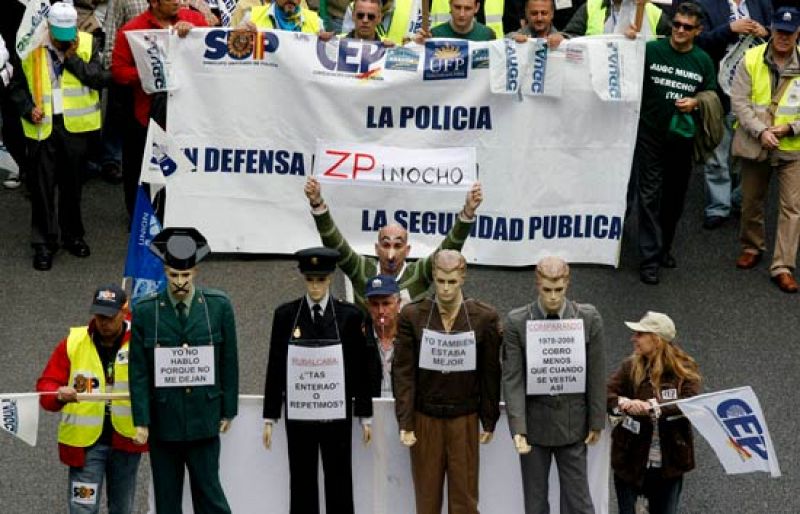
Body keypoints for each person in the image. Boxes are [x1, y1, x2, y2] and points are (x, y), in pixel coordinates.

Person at [129, 227, 239, 514]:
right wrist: (141, 419)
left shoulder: (218, 307)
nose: (180, 282)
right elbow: (138, 372)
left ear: (195, 272)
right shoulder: (145, 311)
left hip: (204, 418)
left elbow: (229, 361)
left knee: (210, 497)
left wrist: (228, 409)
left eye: (186, 275)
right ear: (165, 271)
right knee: (167, 502)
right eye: (173, 275)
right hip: (164, 422)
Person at [262, 247, 373, 514]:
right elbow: (276, 364)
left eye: (320, 280)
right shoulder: (286, 315)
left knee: (339, 479)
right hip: (300, 415)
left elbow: (360, 367)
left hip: (337, 414)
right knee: (301, 481)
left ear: (330, 278)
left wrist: (365, 415)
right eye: (310, 279)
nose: (315, 286)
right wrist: (270, 415)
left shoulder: (350, 316)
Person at [392, 250, 501, 514]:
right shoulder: (413, 315)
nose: (446, 288)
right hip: (424, 417)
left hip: (464, 418)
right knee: (426, 498)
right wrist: (405, 421)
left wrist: (489, 418)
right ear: (433, 277)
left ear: (462, 277)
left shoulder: (484, 317)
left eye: (452, 281)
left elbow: (490, 373)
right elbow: (403, 373)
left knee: (464, 499)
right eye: (440, 281)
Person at [7, 1, 110, 271]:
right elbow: (16, 86)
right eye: (59, 37)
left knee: (72, 187)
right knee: (41, 189)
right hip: (42, 128)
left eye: (69, 35)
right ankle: (44, 244)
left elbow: (99, 78)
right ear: (48, 27)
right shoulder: (28, 46)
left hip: (76, 127)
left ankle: (73, 236)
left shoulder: (87, 43)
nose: (65, 42)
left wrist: (73, 58)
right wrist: (28, 109)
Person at [501, 255, 605, 514]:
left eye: (559, 289)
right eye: (547, 290)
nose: (553, 297)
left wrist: (596, 420)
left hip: (573, 423)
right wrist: (518, 428)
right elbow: (512, 379)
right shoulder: (517, 321)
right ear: (537, 284)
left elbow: (596, 372)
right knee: (535, 503)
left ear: (567, 283)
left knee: (579, 501)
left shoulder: (588, 318)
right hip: (534, 426)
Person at [36, 284, 146, 514]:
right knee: (82, 509)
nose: (103, 322)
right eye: (99, 316)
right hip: (86, 448)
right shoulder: (74, 342)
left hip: (126, 442)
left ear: (124, 314)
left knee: (122, 508)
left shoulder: (142, 341)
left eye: (110, 317)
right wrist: (58, 394)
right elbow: (45, 389)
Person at [304, 176, 483, 310]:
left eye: (398, 246)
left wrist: (467, 213)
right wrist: (317, 204)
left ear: (407, 250)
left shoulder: (418, 274)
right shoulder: (362, 269)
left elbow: (448, 252)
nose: (391, 253)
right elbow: (336, 245)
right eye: (386, 244)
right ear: (376, 248)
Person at [634, 1, 718, 285]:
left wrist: (697, 102)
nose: (679, 30)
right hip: (650, 135)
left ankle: (664, 247)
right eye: (677, 24)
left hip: (682, 140)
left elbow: (713, 95)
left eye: (687, 27)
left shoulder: (703, 61)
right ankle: (649, 259)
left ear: (698, 30)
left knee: (674, 200)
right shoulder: (651, 51)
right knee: (648, 197)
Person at [111, 0, 207, 219]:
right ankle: (139, 219)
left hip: (186, 113)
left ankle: (178, 215)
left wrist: (195, 37)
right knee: (140, 170)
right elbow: (118, 71)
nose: (178, 1)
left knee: (181, 168)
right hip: (146, 114)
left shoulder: (194, 21)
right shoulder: (132, 30)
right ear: (154, 2)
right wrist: (149, 74)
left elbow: (215, 50)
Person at [731, 6, 800, 293]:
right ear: (771, 30)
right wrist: (761, 131)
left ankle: (782, 266)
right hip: (755, 142)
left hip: (792, 148)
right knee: (751, 201)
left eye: (789, 32)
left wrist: (790, 129)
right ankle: (752, 246)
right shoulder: (751, 58)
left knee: (792, 208)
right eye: (779, 31)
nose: (783, 37)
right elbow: (739, 101)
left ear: (798, 33)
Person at [608, 311, 701, 514]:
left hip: (669, 464)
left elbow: (690, 403)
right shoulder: (629, 367)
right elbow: (606, 393)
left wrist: (653, 407)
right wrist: (623, 403)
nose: (634, 338)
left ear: (656, 340)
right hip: (630, 461)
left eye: (640, 334)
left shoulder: (684, 371)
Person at [694, 0, 773, 229]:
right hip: (719, 89)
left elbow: (778, 37)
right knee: (717, 151)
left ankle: (740, 199)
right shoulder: (708, 5)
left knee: (748, 152)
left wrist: (765, 32)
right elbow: (698, 41)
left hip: (754, 92)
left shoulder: (761, 4)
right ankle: (718, 207)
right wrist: (730, 29)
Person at [364, 274, 402, 397]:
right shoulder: (359, 340)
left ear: (398, 304)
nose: (380, 311)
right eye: (375, 304)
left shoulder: (410, 338)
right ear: (368, 306)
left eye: (386, 304)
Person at [563, 0, 671, 39]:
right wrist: (561, 38)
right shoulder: (592, 5)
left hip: (640, 81)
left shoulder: (653, 12)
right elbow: (570, 35)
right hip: (598, 77)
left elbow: (673, 43)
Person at [416, 0, 497, 41]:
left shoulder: (487, 35)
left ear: (477, 8)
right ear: (450, 5)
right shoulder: (434, 35)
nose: (462, 14)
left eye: (468, 8)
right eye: (457, 7)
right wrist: (417, 46)